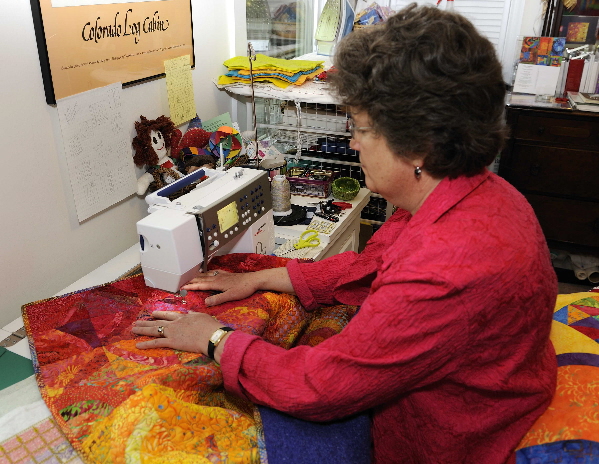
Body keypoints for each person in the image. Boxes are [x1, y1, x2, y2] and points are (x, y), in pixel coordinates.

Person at [132, 4, 558, 463]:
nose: (352, 142)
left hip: (448, 439)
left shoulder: (446, 267)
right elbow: (374, 264)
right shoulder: (477, 194)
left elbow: (318, 387)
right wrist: (266, 277)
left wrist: (215, 338)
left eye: (358, 127)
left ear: (417, 143)